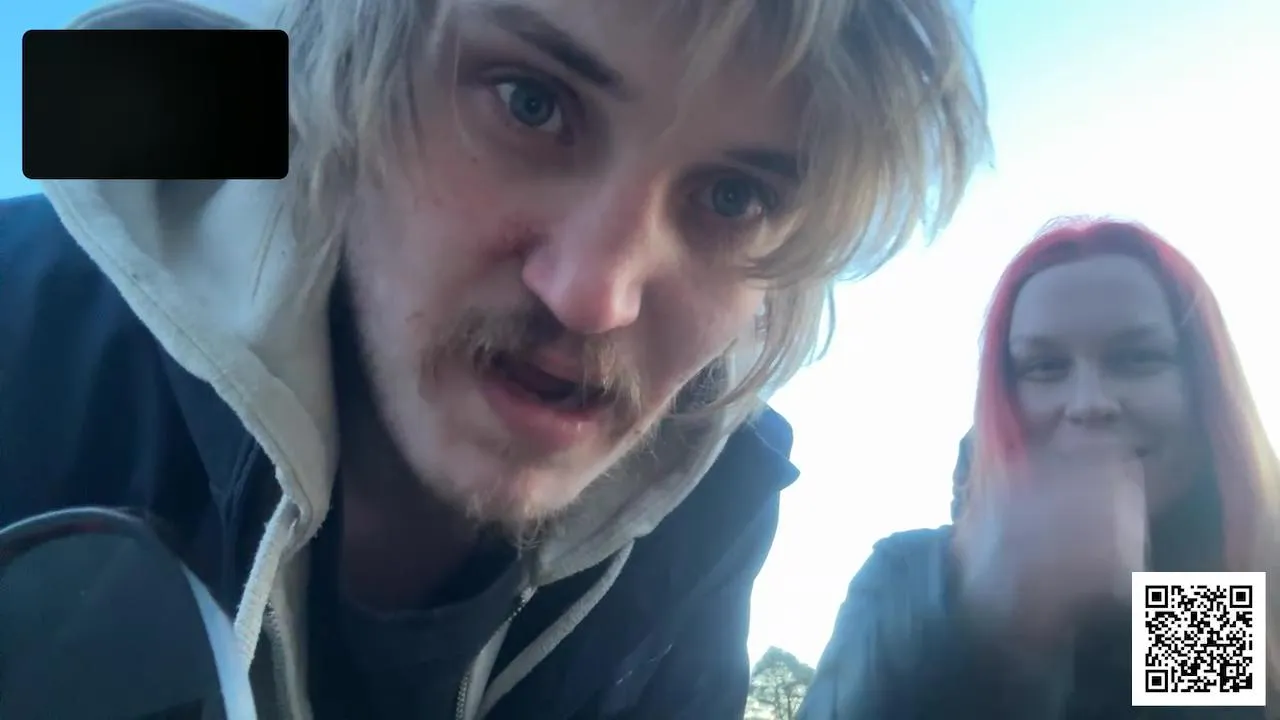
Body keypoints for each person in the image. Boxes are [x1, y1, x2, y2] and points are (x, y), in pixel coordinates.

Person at [0, 0, 990, 718]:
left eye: (733, 198)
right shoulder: (26, 328)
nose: (594, 294)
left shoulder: (711, 504)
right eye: (529, 103)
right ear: (357, 72)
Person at [798, 218, 1280, 718]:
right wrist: (989, 637)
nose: (1089, 403)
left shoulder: (1219, 582)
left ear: (1206, 384)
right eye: (1045, 367)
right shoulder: (913, 580)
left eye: (1137, 358)